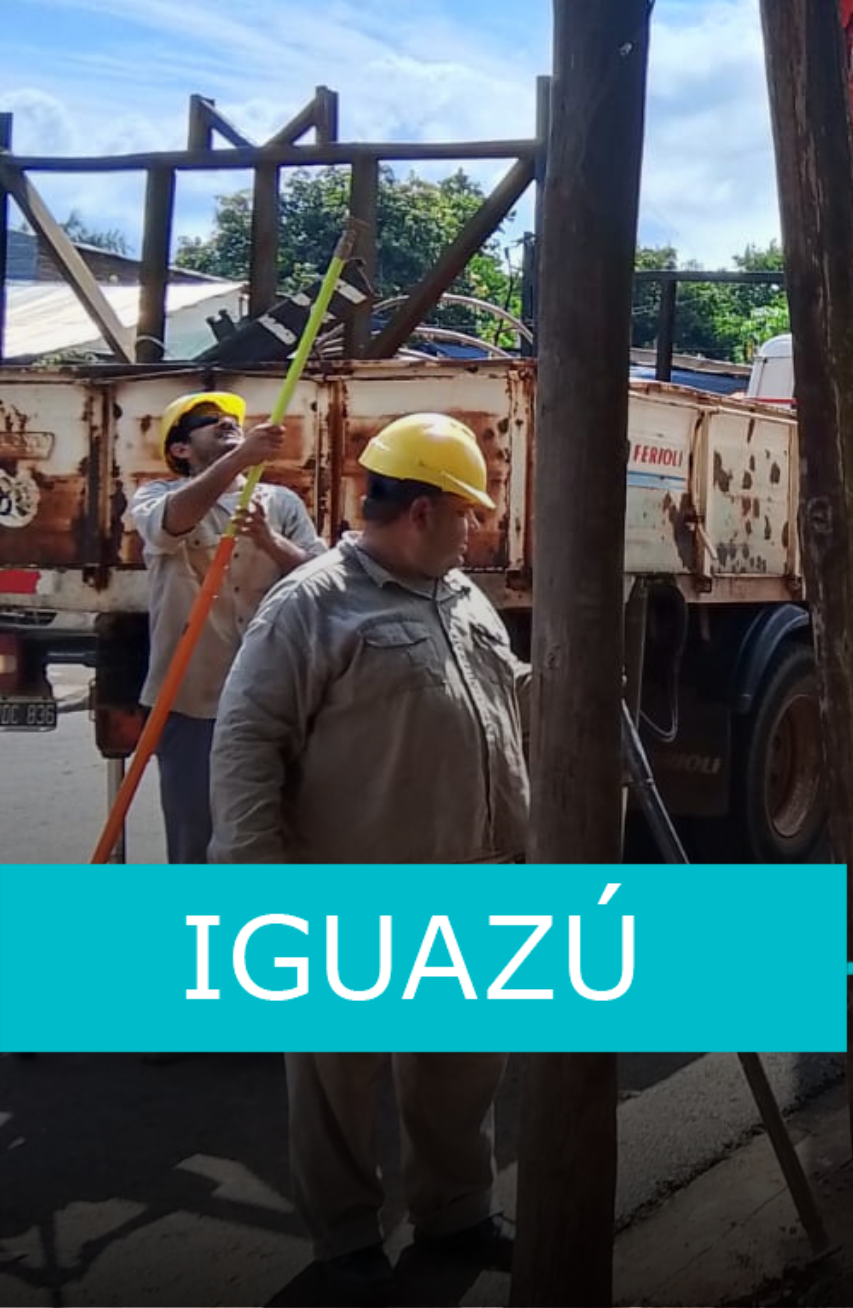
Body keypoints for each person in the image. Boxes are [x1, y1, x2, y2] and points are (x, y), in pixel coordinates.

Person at [208, 412, 529, 1295]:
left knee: (462, 1067)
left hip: (471, 881)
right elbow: (245, 743)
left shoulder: (463, 597)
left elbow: (501, 713)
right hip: (344, 888)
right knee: (337, 1077)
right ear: (421, 512)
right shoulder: (311, 604)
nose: (477, 531)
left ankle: (457, 1213)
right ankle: (346, 1245)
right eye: (466, 514)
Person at [124, 390, 324, 865]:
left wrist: (269, 540)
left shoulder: (279, 503)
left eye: (232, 420)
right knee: (196, 839)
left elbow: (320, 578)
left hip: (272, 698)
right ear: (180, 450)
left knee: (280, 837)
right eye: (210, 421)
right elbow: (170, 525)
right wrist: (240, 460)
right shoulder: (158, 497)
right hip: (192, 702)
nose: (227, 424)